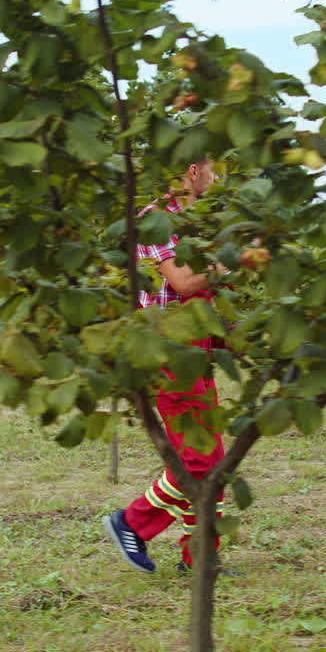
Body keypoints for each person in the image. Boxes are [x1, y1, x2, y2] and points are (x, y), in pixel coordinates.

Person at [102, 158, 231, 574]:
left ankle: (200, 559)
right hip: (170, 346)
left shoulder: (202, 223)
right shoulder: (156, 221)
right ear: (194, 170)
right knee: (197, 459)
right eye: (215, 171)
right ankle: (133, 522)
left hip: (199, 344)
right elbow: (185, 283)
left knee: (213, 458)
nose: (218, 180)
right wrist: (232, 260)